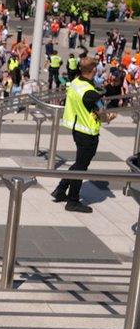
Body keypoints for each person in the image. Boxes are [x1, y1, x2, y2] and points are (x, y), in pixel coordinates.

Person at [51, 57, 106, 213]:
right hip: (87, 132)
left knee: (79, 163)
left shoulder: (76, 83)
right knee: (81, 167)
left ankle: (61, 189)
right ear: (93, 70)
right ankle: (73, 201)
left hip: (77, 128)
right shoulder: (90, 93)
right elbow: (101, 112)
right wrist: (108, 116)